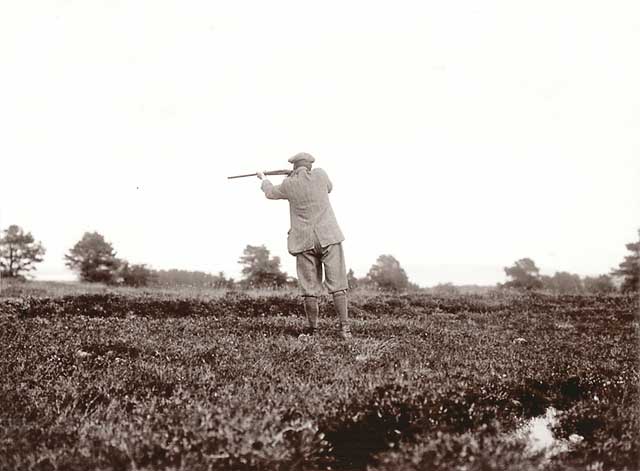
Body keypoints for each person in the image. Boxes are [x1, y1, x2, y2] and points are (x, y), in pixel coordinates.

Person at [257, 152, 352, 339]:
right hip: (329, 236)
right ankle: (345, 329)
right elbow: (329, 188)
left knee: (309, 288)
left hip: (303, 241)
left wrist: (264, 178)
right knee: (338, 285)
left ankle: (313, 330)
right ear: (309, 165)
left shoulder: (288, 184)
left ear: (293, 167)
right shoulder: (321, 175)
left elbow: (269, 193)